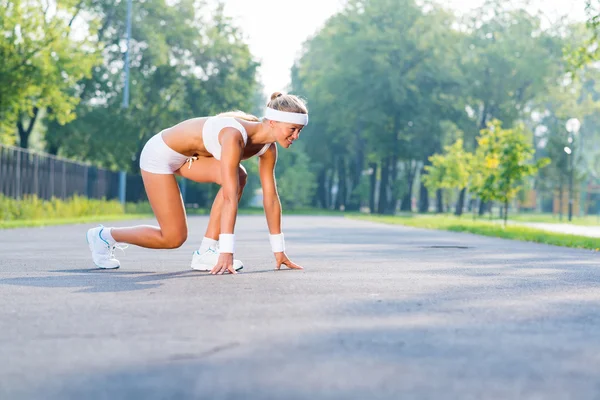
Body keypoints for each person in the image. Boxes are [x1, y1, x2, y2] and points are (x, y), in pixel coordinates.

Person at [86, 92, 308, 275]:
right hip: (159, 155)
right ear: (272, 122)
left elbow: (270, 198)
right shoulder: (234, 136)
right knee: (172, 238)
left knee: (239, 177)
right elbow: (230, 196)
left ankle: (205, 252)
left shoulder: (268, 148)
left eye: (299, 131)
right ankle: (104, 236)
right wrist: (227, 252)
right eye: (292, 129)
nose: (296, 136)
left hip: (190, 158)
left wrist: (279, 251)